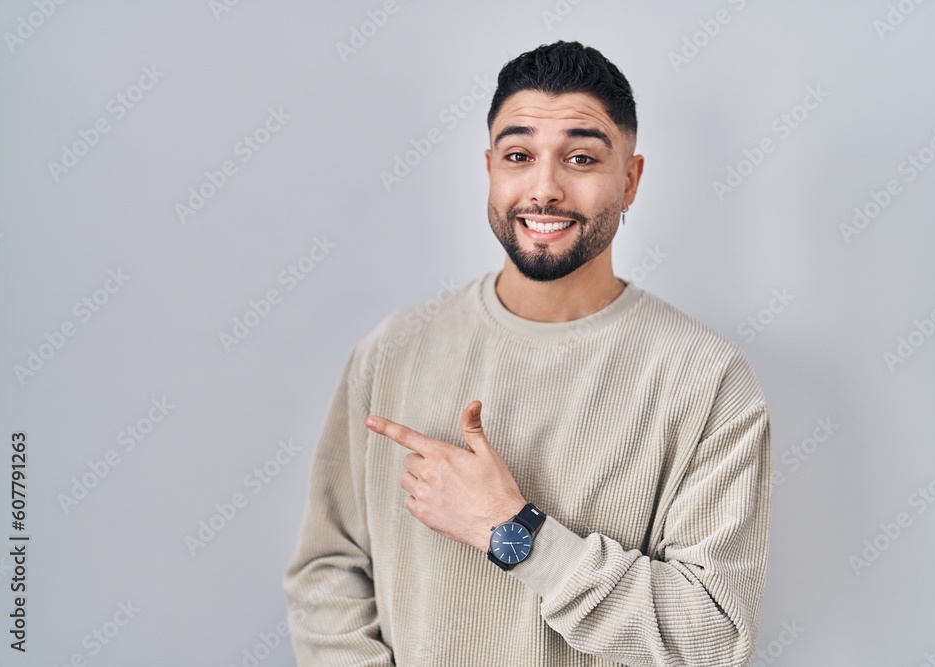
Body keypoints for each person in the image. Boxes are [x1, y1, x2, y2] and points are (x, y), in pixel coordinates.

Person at [284, 40, 772, 666]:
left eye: (580, 158)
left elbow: (714, 638)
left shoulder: (707, 379)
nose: (544, 189)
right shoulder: (394, 350)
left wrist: (513, 531)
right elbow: (328, 570)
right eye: (519, 156)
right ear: (490, 168)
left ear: (629, 179)